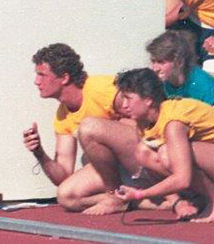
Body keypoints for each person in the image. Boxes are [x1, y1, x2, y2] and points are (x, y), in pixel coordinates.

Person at [110, 68, 214, 223]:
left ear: (148, 100)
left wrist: (139, 194)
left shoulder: (173, 123)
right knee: (142, 152)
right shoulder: (144, 120)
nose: (124, 105)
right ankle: (200, 198)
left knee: (167, 154)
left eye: (128, 98)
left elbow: (182, 179)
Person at [22, 44, 135, 214]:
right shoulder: (62, 115)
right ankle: (136, 199)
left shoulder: (101, 88)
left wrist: (110, 135)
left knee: (88, 128)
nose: (36, 81)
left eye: (42, 75)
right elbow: (63, 174)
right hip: (117, 169)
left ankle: (115, 196)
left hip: (141, 156)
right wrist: (39, 152)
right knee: (65, 196)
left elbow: (145, 118)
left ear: (64, 78)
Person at [146, 30, 214, 126]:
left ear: (179, 62)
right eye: (153, 61)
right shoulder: (164, 82)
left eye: (161, 62)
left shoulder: (201, 83)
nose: (155, 68)